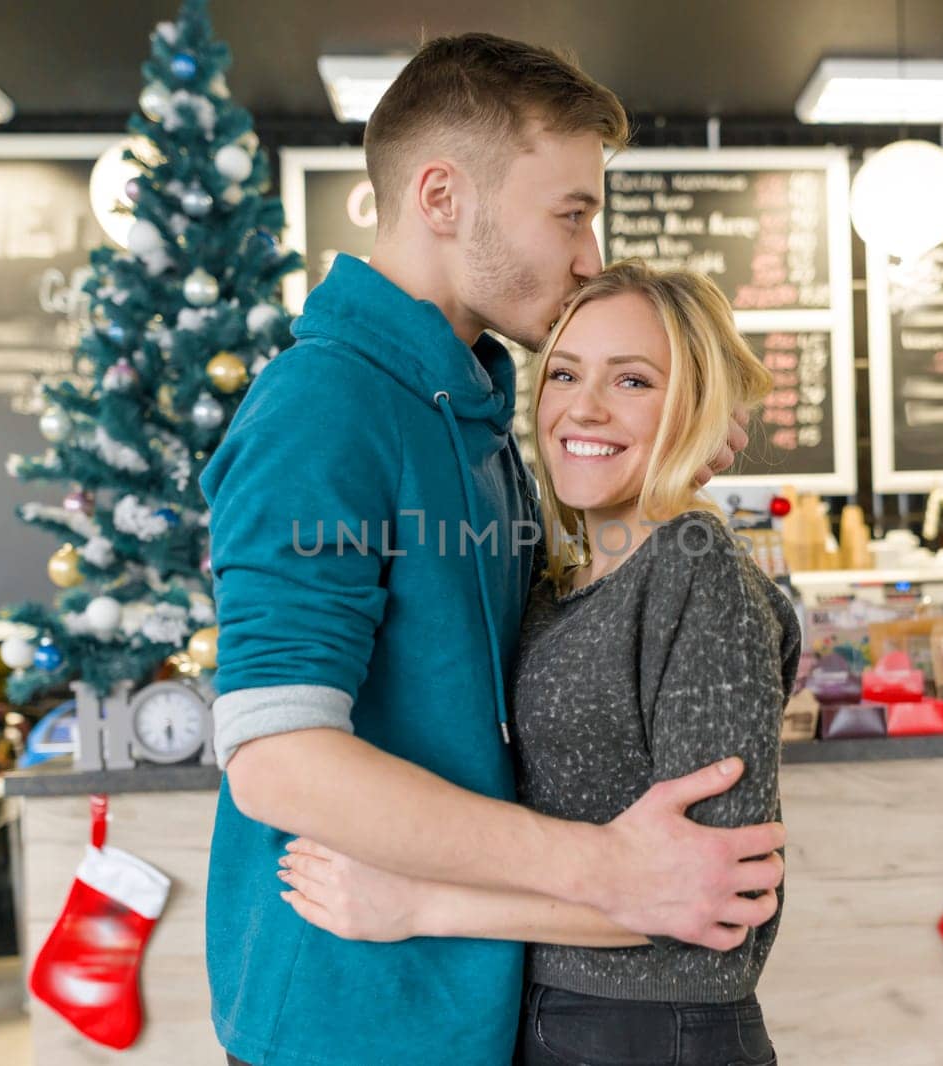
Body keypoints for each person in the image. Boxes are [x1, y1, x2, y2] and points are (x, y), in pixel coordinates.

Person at [201, 34, 781, 1066]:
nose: (590, 255)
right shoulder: (323, 406)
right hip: (352, 1016)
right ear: (441, 198)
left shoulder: (466, 410)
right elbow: (275, 761)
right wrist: (603, 867)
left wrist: (672, 482)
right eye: (571, 212)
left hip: (471, 999)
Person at [278, 262, 800, 1066]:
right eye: (564, 372)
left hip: (652, 1033)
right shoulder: (563, 578)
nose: (582, 407)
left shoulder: (696, 570)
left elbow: (718, 902)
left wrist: (417, 903)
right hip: (563, 1021)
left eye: (632, 379)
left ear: (696, 408)